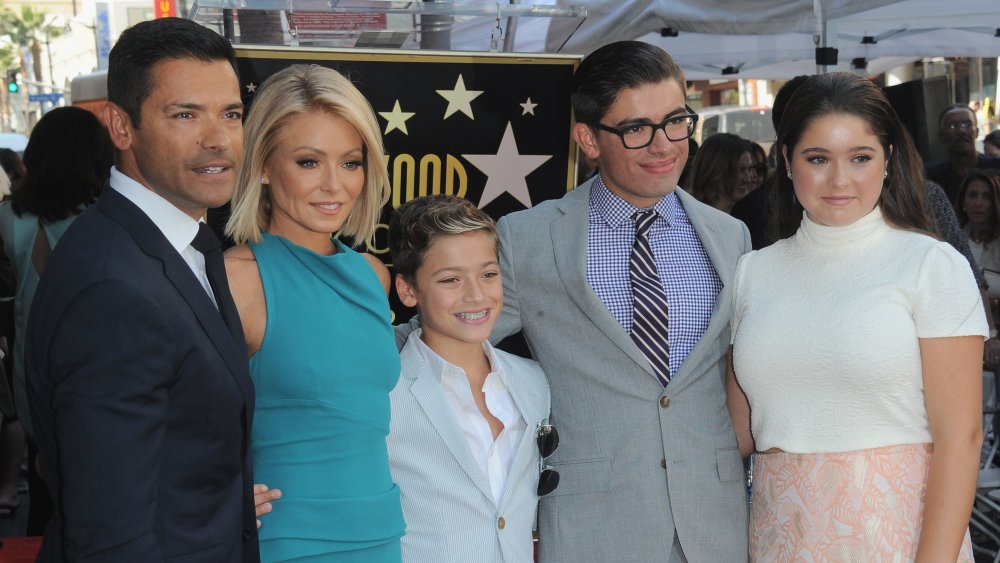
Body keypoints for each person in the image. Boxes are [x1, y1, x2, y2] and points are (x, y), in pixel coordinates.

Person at [399, 41, 750, 562]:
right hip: (593, 526)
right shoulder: (528, 238)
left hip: (715, 522)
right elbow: (445, 336)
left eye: (676, 121)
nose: (664, 145)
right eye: (636, 129)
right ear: (588, 138)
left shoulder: (731, 235)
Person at [25, 17, 259, 562]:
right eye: (185, 115)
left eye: (230, 114)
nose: (218, 138)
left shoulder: (183, 242)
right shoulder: (114, 286)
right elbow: (109, 531)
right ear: (121, 127)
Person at [728, 72, 984, 561]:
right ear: (785, 160)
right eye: (818, 158)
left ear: (888, 159)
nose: (839, 180)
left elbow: (961, 437)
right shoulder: (752, 273)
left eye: (860, 158)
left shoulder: (931, 266)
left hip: (898, 537)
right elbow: (734, 434)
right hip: (779, 536)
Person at [225, 63, 404, 562]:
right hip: (289, 540)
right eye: (308, 162)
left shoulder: (372, 275)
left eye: (350, 162)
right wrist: (214, 492)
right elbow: (167, 415)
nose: (334, 185)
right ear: (262, 165)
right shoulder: (239, 279)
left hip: (381, 534)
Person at [386, 194, 551, 563]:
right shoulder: (384, 391)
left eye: (488, 274)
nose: (477, 295)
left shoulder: (534, 382)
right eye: (450, 279)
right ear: (407, 290)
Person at [0, 106, 112, 532]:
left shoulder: (9, 217)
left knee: (45, 504)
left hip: (30, 369)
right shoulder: (108, 216)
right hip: (96, 367)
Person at [925, 103, 1000, 204]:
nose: (961, 131)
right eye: (951, 126)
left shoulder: (996, 168)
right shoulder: (933, 176)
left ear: (977, 132)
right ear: (941, 136)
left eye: (967, 125)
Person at [686, 132, 756, 213]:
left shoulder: (749, 215)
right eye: (741, 169)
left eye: (750, 169)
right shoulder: (690, 215)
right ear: (716, 171)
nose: (748, 178)